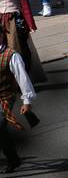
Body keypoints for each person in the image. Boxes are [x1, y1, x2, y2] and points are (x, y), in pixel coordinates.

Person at [0, 30, 34, 173]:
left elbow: (22, 78)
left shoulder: (11, 55)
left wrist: (27, 101)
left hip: (6, 96)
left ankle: (13, 159)